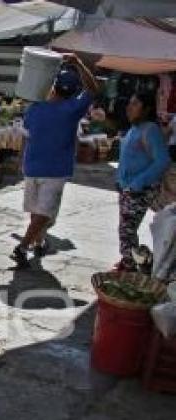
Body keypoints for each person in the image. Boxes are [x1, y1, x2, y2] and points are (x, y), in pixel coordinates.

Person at [10, 55, 99, 268]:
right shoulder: (72, 110)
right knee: (43, 212)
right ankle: (25, 246)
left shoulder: (35, 109)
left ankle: (36, 242)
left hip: (32, 166)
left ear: (53, 87)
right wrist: (79, 63)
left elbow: (26, 136)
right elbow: (94, 90)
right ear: (74, 91)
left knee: (37, 211)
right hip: (56, 170)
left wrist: (21, 160)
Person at [115, 92, 171, 272]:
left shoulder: (150, 130)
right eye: (129, 103)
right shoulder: (134, 129)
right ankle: (135, 262)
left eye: (135, 104)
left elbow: (162, 161)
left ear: (146, 109)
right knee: (126, 230)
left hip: (140, 189)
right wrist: (120, 181)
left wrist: (138, 183)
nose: (129, 107)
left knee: (126, 230)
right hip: (127, 188)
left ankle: (131, 266)